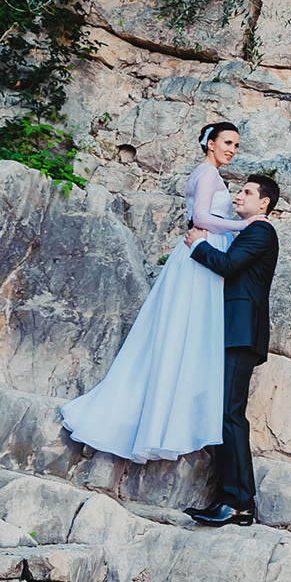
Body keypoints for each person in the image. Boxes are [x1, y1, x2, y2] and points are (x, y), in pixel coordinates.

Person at [57, 121, 250, 461]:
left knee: (185, 334)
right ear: (210, 144)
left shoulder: (212, 175)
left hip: (205, 253)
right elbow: (202, 217)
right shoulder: (207, 174)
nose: (232, 149)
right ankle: (159, 421)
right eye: (227, 142)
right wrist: (242, 225)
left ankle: (169, 419)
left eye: (236, 144)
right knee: (181, 333)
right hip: (200, 254)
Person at [182, 172, 280, 527]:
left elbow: (227, 266)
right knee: (224, 412)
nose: (238, 196)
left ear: (263, 202)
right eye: (238, 190)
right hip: (232, 332)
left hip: (241, 333)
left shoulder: (261, 231)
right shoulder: (249, 232)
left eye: (247, 192)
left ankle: (238, 502)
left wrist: (197, 244)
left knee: (228, 413)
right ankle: (234, 500)